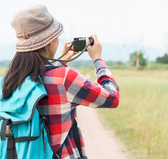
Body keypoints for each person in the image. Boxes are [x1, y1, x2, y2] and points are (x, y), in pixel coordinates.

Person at [8, 4, 119, 159]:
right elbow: (112, 98)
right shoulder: (64, 78)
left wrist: (61, 62)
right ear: (48, 42)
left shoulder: (10, 79)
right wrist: (98, 59)